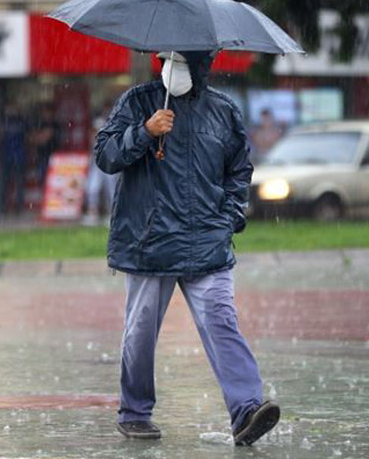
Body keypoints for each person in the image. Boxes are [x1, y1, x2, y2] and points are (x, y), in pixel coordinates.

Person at [95, 50, 280, 446]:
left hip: (207, 243)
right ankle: (135, 412)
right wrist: (145, 132)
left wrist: (229, 217)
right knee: (140, 332)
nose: (172, 69)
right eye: (167, 60)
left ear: (202, 66)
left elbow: (238, 170)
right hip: (150, 242)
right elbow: (106, 155)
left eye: (182, 61)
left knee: (221, 321)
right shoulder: (137, 102)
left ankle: (246, 410)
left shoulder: (223, 112)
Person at [83, 103, 119, 226]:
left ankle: (112, 215)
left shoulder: (112, 130)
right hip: (97, 165)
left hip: (109, 165)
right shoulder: (94, 137)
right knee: (92, 188)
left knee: (112, 190)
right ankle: (93, 213)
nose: (96, 134)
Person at [0, 103, 29, 213]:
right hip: (11, 156)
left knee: (15, 183)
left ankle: (13, 207)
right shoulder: (16, 122)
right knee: (7, 183)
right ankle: (6, 207)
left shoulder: (18, 122)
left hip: (15, 156)